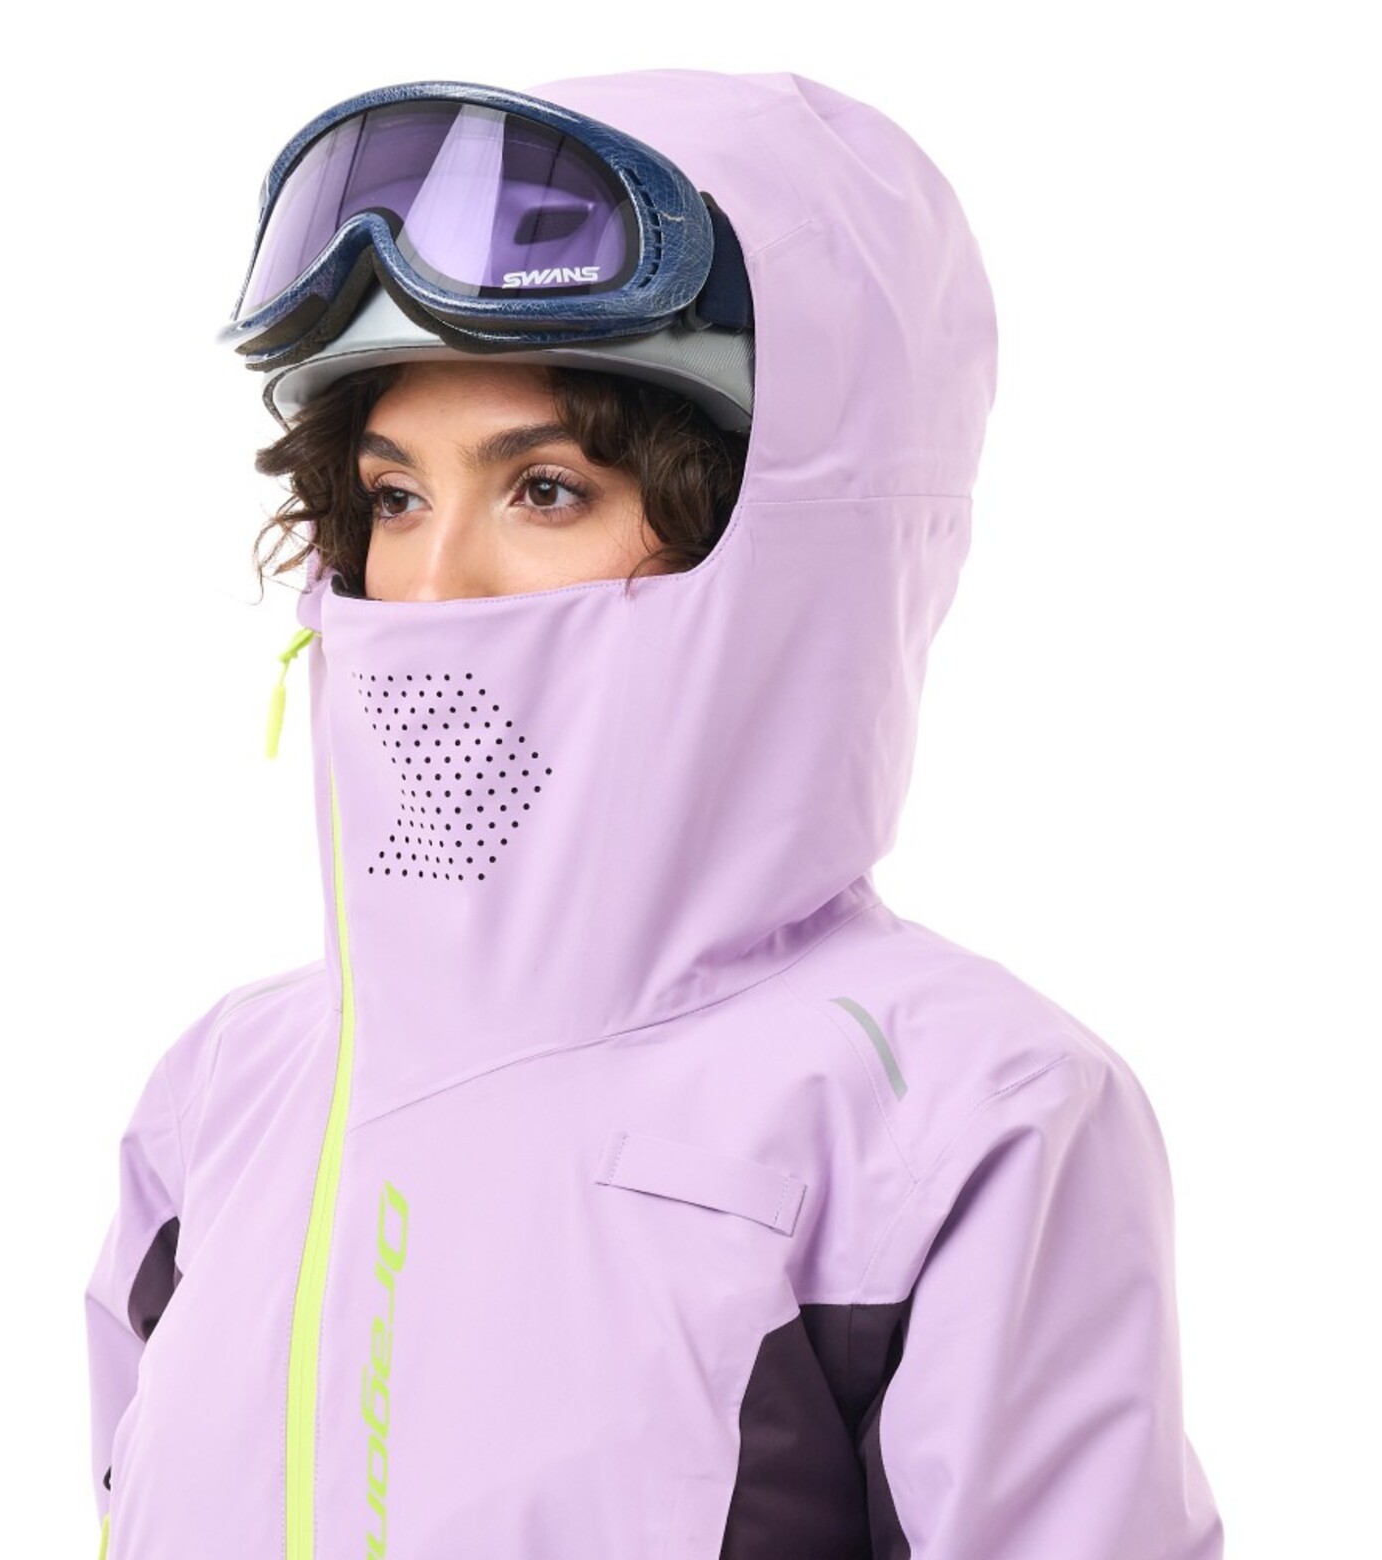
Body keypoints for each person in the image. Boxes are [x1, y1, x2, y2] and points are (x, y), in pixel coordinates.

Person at [84, 71, 1225, 1559]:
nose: (429, 590)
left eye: (546, 490)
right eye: (396, 497)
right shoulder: (226, 1094)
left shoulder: (955, 1117)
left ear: (770, 545)